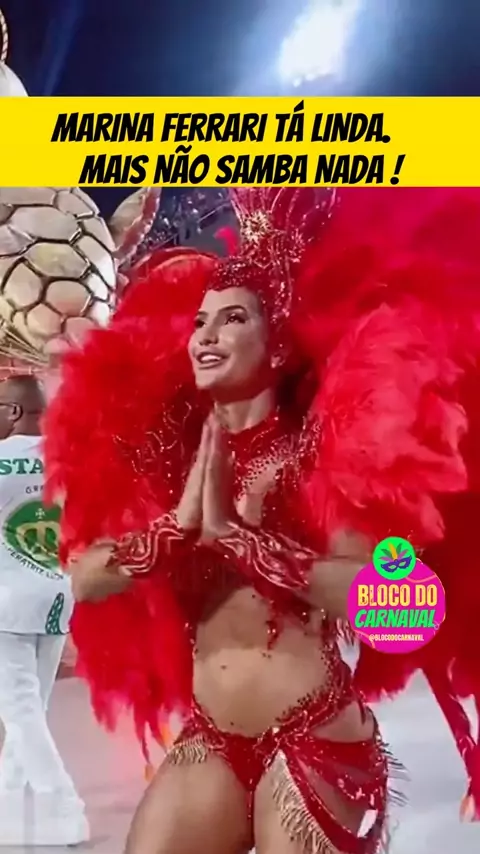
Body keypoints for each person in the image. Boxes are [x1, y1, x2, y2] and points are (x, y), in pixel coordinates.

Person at [44, 187, 480, 854]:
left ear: (275, 347)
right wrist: (172, 534)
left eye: (233, 319)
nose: (207, 336)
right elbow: (86, 578)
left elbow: (393, 602)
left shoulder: (323, 453)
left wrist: (245, 544)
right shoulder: (172, 460)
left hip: (313, 736)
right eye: (201, 321)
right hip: (212, 738)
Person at [0, 375, 89, 846]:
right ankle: (9, 810)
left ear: (14, 411)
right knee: (32, 710)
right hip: (56, 595)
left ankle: (65, 808)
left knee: (20, 713)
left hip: (6, 603)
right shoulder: (68, 461)